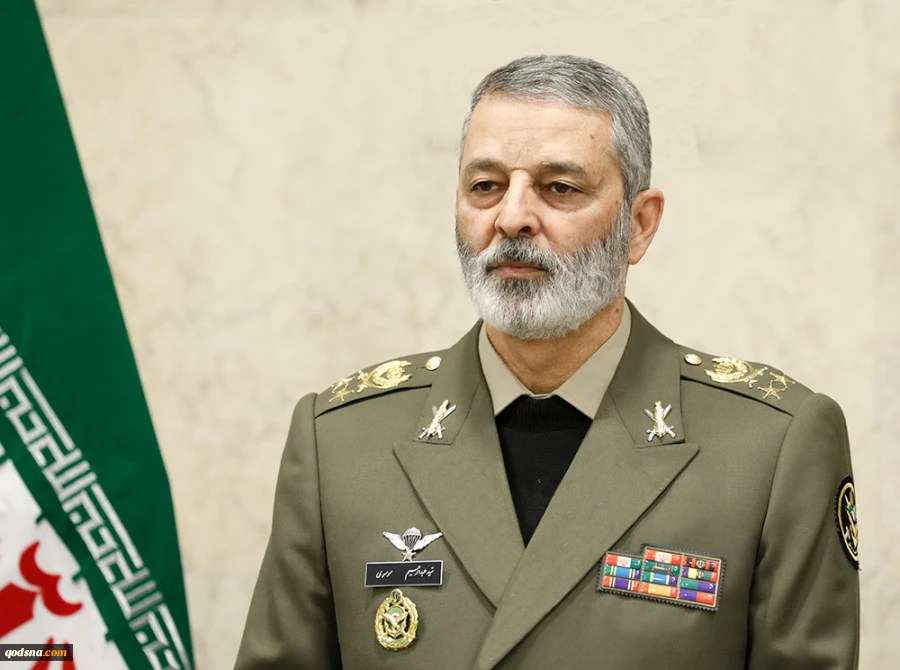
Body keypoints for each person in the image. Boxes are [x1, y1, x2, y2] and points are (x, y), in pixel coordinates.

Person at [233, 54, 859, 669]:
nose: (512, 218)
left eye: (560, 188)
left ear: (639, 225)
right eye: (486, 187)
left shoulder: (769, 449)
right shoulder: (341, 444)